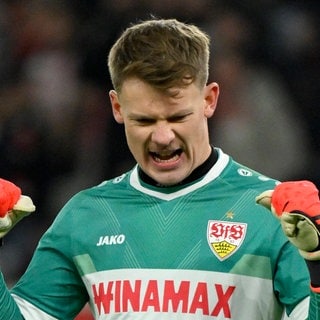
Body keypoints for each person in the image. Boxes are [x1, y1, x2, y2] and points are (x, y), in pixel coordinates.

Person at [0, 18, 319, 320]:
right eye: (144, 120)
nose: (163, 137)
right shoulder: (87, 214)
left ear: (209, 99)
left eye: (178, 117)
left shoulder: (275, 213)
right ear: (117, 108)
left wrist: (318, 264)